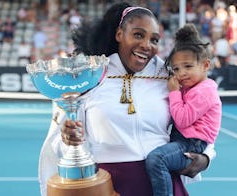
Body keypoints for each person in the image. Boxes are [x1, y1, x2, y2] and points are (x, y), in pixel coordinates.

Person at [38, 3, 216, 196]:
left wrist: (206, 156)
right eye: (138, 35)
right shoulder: (89, 76)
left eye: (154, 40)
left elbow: (201, 118)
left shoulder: (169, 76)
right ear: (119, 34)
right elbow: (57, 140)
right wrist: (68, 139)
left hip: (162, 184)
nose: (147, 45)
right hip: (109, 186)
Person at [145, 24, 222, 196]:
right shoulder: (192, 88)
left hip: (191, 143)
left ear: (205, 65)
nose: (181, 74)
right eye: (177, 69)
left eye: (188, 66)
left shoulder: (204, 91)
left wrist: (174, 93)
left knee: (157, 159)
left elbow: (182, 119)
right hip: (184, 139)